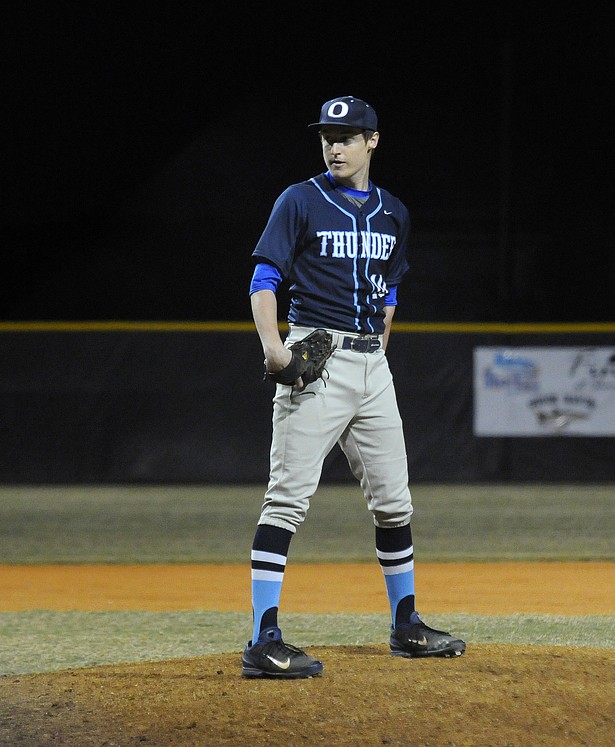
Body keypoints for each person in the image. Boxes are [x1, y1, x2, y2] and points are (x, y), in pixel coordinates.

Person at [242, 95, 466, 679]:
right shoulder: (300, 200)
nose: (334, 146)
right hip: (317, 355)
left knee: (394, 501)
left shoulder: (394, 212)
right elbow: (264, 277)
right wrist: (274, 346)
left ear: (372, 142)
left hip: (372, 366)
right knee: (287, 498)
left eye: (347, 136)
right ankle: (263, 638)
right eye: (326, 136)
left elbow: (391, 292)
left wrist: (377, 357)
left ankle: (406, 624)